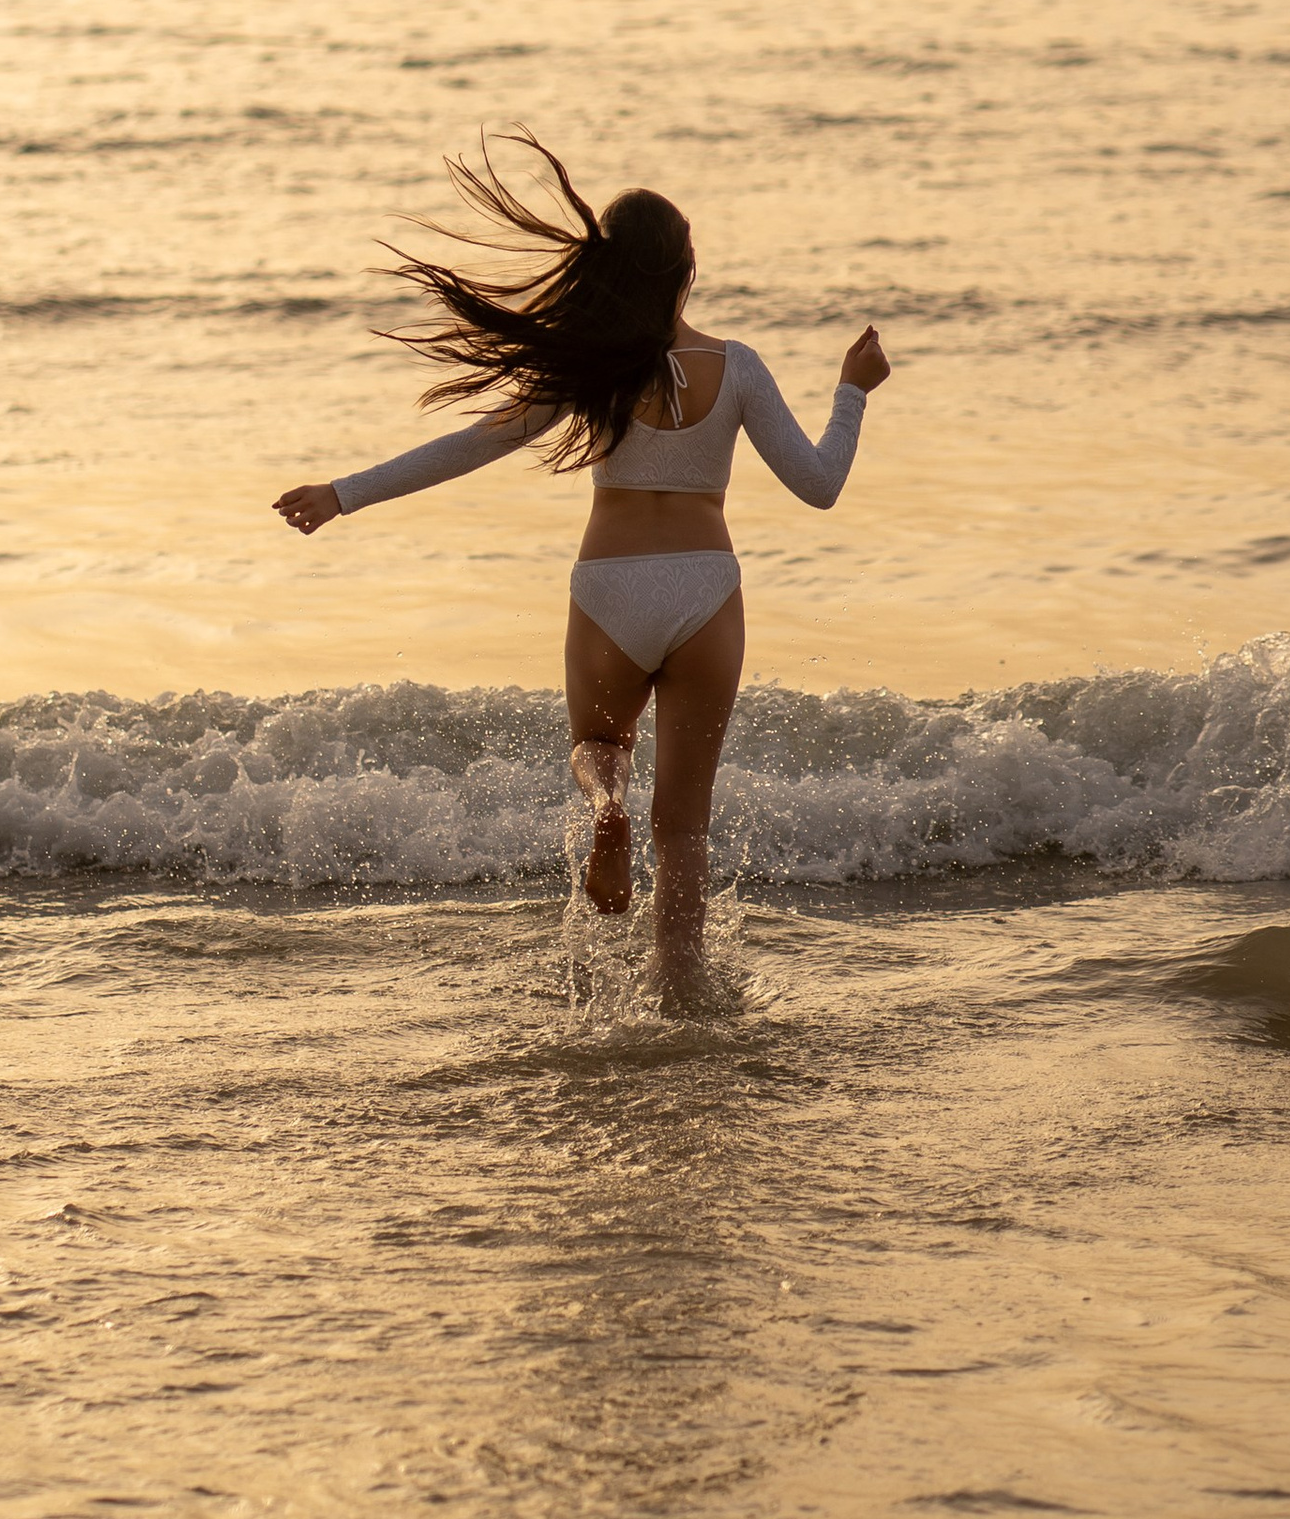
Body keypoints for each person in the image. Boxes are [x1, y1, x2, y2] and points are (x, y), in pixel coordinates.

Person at [275, 136, 888, 987]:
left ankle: (605, 807)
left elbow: (470, 446)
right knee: (684, 828)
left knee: (601, 744)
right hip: (707, 592)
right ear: (688, 270)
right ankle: (681, 985)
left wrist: (343, 492)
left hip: (609, 589)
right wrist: (852, 390)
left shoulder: (592, 372)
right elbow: (819, 485)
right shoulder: (737, 367)